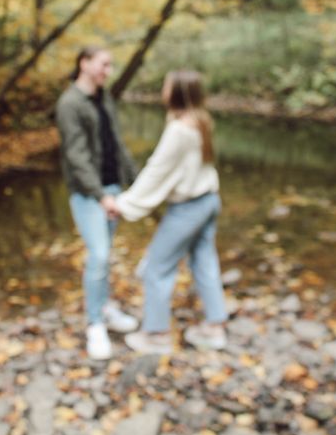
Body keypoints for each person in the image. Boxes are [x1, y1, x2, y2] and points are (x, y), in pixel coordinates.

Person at [109, 70, 228, 355]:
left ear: (176, 93)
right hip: (209, 200)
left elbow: (157, 170)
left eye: (166, 86)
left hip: (189, 208)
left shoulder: (179, 130)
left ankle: (157, 335)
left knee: (156, 267)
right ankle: (214, 328)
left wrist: (124, 204)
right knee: (204, 261)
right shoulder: (201, 121)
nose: (162, 90)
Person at [56, 46, 138, 360]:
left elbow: (116, 144)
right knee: (99, 254)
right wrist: (101, 195)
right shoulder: (69, 103)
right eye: (104, 64)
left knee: (106, 254)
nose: (108, 70)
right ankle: (94, 325)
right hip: (89, 193)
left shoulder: (104, 98)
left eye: (110, 65)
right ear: (84, 63)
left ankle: (105, 308)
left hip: (113, 187)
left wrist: (137, 182)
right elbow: (76, 157)